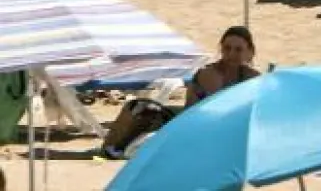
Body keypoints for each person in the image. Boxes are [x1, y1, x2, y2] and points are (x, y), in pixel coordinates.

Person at [103, 26, 260, 158]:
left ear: (250, 52)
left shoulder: (253, 77)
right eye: (227, 48)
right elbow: (207, 112)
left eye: (238, 50)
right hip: (197, 127)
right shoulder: (209, 74)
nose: (231, 54)